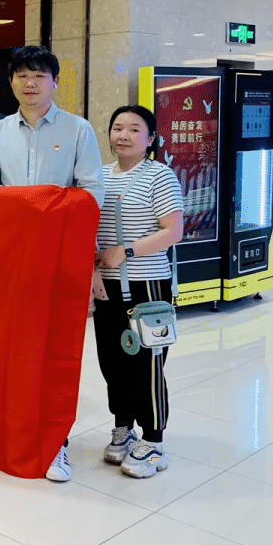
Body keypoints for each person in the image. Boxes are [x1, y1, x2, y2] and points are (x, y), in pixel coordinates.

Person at [0, 45, 105, 482]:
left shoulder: (78, 129)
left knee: (54, 350)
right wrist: (24, 208)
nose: (30, 84)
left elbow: (91, 191)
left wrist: (45, 211)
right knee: (7, 347)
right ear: (10, 82)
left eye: (39, 76)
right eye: (22, 76)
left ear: (55, 82)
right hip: (9, 255)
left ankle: (55, 444)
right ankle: (9, 432)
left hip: (57, 254)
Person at [93, 105, 183, 479]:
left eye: (134, 129)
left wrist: (125, 251)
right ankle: (123, 427)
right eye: (118, 127)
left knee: (146, 364)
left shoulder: (159, 176)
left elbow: (173, 231)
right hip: (107, 286)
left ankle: (154, 440)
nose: (124, 135)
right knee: (112, 361)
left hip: (148, 286)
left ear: (150, 138)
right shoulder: (98, 175)